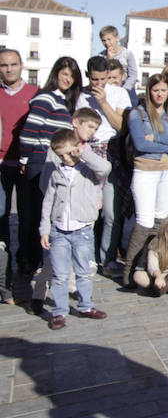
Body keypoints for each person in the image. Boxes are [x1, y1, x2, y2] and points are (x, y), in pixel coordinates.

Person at [38, 128, 111, 329]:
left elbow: (105, 168)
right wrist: (45, 229)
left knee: (83, 271)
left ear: (77, 148)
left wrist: (83, 153)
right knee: (60, 274)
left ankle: (86, 306)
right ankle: (59, 312)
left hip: (82, 230)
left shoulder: (88, 170)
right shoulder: (56, 174)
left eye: (69, 153)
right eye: (61, 155)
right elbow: (48, 202)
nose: (66, 158)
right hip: (59, 230)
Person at [18, 57, 82, 275]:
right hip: (39, 161)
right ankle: (31, 262)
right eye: (64, 74)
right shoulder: (47, 98)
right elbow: (29, 131)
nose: (68, 79)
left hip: (50, 163)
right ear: (56, 74)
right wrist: (25, 160)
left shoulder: (62, 101)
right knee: (37, 214)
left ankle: (37, 262)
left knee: (43, 213)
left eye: (72, 77)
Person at [122, 74, 168, 286]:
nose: (159, 94)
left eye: (163, 90)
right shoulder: (137, 114)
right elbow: (141, 144)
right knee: (144, 221)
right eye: (156, 90)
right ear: (149, 91)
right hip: (146, 170)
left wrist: (157, 138)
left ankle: (152, 268)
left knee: (160, 220)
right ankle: (130, 271)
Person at [77, 56, 132, 275]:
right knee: (86, 210)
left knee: (111, 212)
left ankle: (107, 259)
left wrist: (103, 102)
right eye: (94, 79)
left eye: (102, 79)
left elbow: (121, 126)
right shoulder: (80, 95)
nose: (98, 84)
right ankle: (86, 259)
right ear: (87, 75)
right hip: (87, 152)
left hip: (111, 150)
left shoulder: (119, 93)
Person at [0, 49, 38, 285]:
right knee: (1, 216)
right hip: (1, 164)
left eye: (13, 64)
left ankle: (26, 260)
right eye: (4, 65)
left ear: (22, 66)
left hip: (26, 164)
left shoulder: (35, 93)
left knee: (28, 216)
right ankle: (4, 265)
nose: (9, 69)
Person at [99, 26, 137, 94]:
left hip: (126, 87)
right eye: (104, 40)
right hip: (109, 88)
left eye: (109, 39)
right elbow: (101, 74)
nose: (107, 43)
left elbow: (133, 74)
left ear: (117, 38)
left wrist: (124, 89)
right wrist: (109, 59)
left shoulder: (127, 53)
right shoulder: (101, 56)